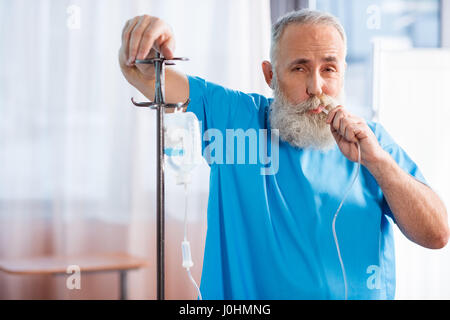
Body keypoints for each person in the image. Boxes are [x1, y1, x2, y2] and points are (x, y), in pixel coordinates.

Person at [118, 9, 449, 299]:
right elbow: (147, 77)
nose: (316, 87)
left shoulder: (373, 143)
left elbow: (437, 234)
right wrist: (146, 44)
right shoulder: (236, 122)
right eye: (300, 69)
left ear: (343, 72)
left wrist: (379, 162)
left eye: (329, 69)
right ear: (270, 75)